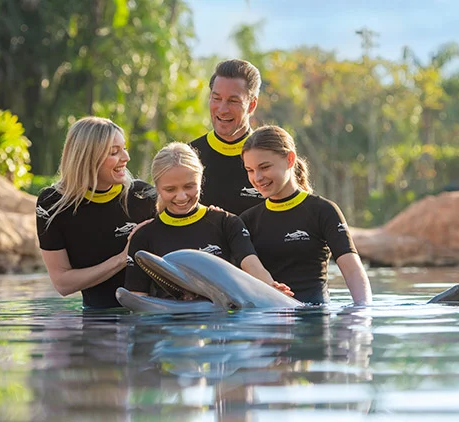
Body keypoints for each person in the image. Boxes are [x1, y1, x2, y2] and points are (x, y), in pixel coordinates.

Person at [124, 142, 291, 298]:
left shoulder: (226, 223)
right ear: (157, 187)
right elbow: (137, 299)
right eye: (170, 189)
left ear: (201, 180)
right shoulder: (145, 236)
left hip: (220, 322)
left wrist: (272, 290)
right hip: (169, 323)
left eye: (189, 186)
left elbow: (253, 267)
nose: (181, 197)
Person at [240, 126, 373, 305]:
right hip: (269, 321)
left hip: (315, 318)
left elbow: (352, 271)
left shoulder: (323, 211)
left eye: (265, 167)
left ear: (290, 159)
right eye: (250, 170)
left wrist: (361, 316)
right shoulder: (247, 220)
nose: (257, 177)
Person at [36, 116, 156, 309]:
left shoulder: (143, 196)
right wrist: (122, 258)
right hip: (95, 318)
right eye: (114, 152)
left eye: (124, 148)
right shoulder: (52, 204)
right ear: (87, 157)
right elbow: (62, 284)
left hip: (150, 317)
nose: (126, 157)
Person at [189, 59, 264, 215]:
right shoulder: (188, 156)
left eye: (233, 101)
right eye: (216, 98)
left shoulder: (272, 157)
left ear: (252, 105)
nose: (222, 109)